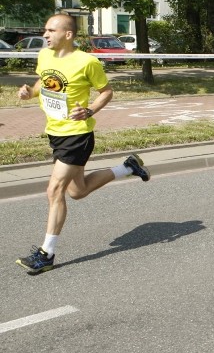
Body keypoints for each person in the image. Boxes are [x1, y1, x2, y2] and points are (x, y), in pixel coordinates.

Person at [15, 14, 151, 274]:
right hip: (55, 132)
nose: (45, 35)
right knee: (78, 192)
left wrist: (89, 110)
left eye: (51, 31)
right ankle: (128, 167)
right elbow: (42, 81)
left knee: (55, 190)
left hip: (77, 134)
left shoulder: (87, 62)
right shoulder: (45, 56)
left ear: (68, 34)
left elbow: (106, 91)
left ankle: (47, 254)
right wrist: (29, 92)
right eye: (45, 30)